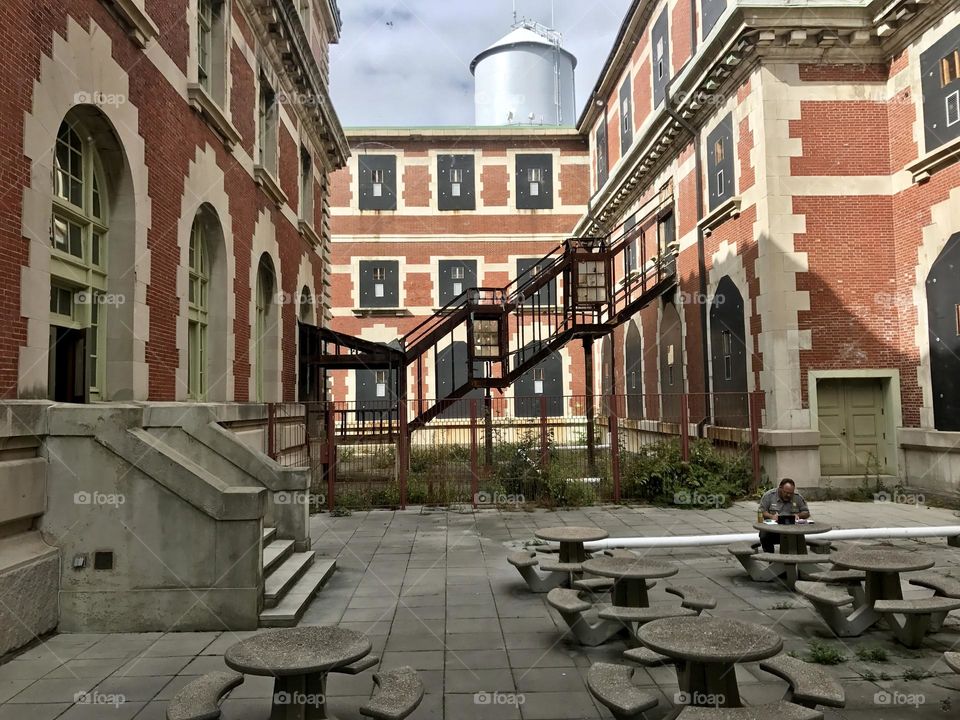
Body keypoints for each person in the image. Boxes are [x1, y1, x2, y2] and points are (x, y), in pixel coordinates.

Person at [758, 478, 810, 553]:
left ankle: (799, 559)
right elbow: (762, 511)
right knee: (763, 535)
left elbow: (806, 512)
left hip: (792, 530)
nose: (788, 495)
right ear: (780, 488)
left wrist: (798, 515)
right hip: (773, 530)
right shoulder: (769, 496)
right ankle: (770, 558)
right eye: (786, 492)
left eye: (791, 493)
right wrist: (772, 516)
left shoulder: (797, 497)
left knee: (800, 536)